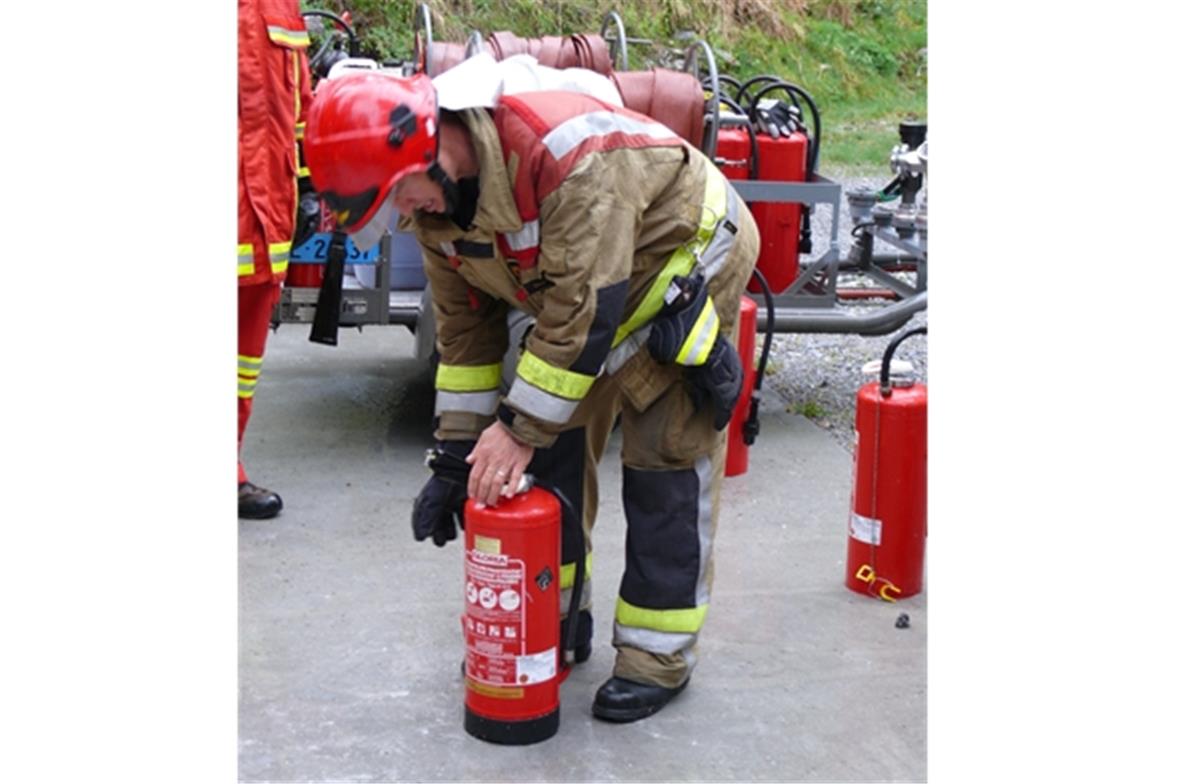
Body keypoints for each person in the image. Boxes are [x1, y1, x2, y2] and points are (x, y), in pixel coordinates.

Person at [304, 70, 759, 723]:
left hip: (680, 262)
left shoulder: (566, 159)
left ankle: (658, 656)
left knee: (664, 459)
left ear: (429, 148)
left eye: (401, 195)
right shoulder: (436, 209)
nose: (406, 213)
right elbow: (466, 338)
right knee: (550, 460)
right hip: (582, 293)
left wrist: (515, 428)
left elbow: (583, 315)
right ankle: (555, 623)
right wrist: (455, 458)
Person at [237, 0, 312, 519]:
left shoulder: (281, 5)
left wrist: (308, 187)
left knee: (241, 363)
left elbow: (301, 106)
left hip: (264, 218)